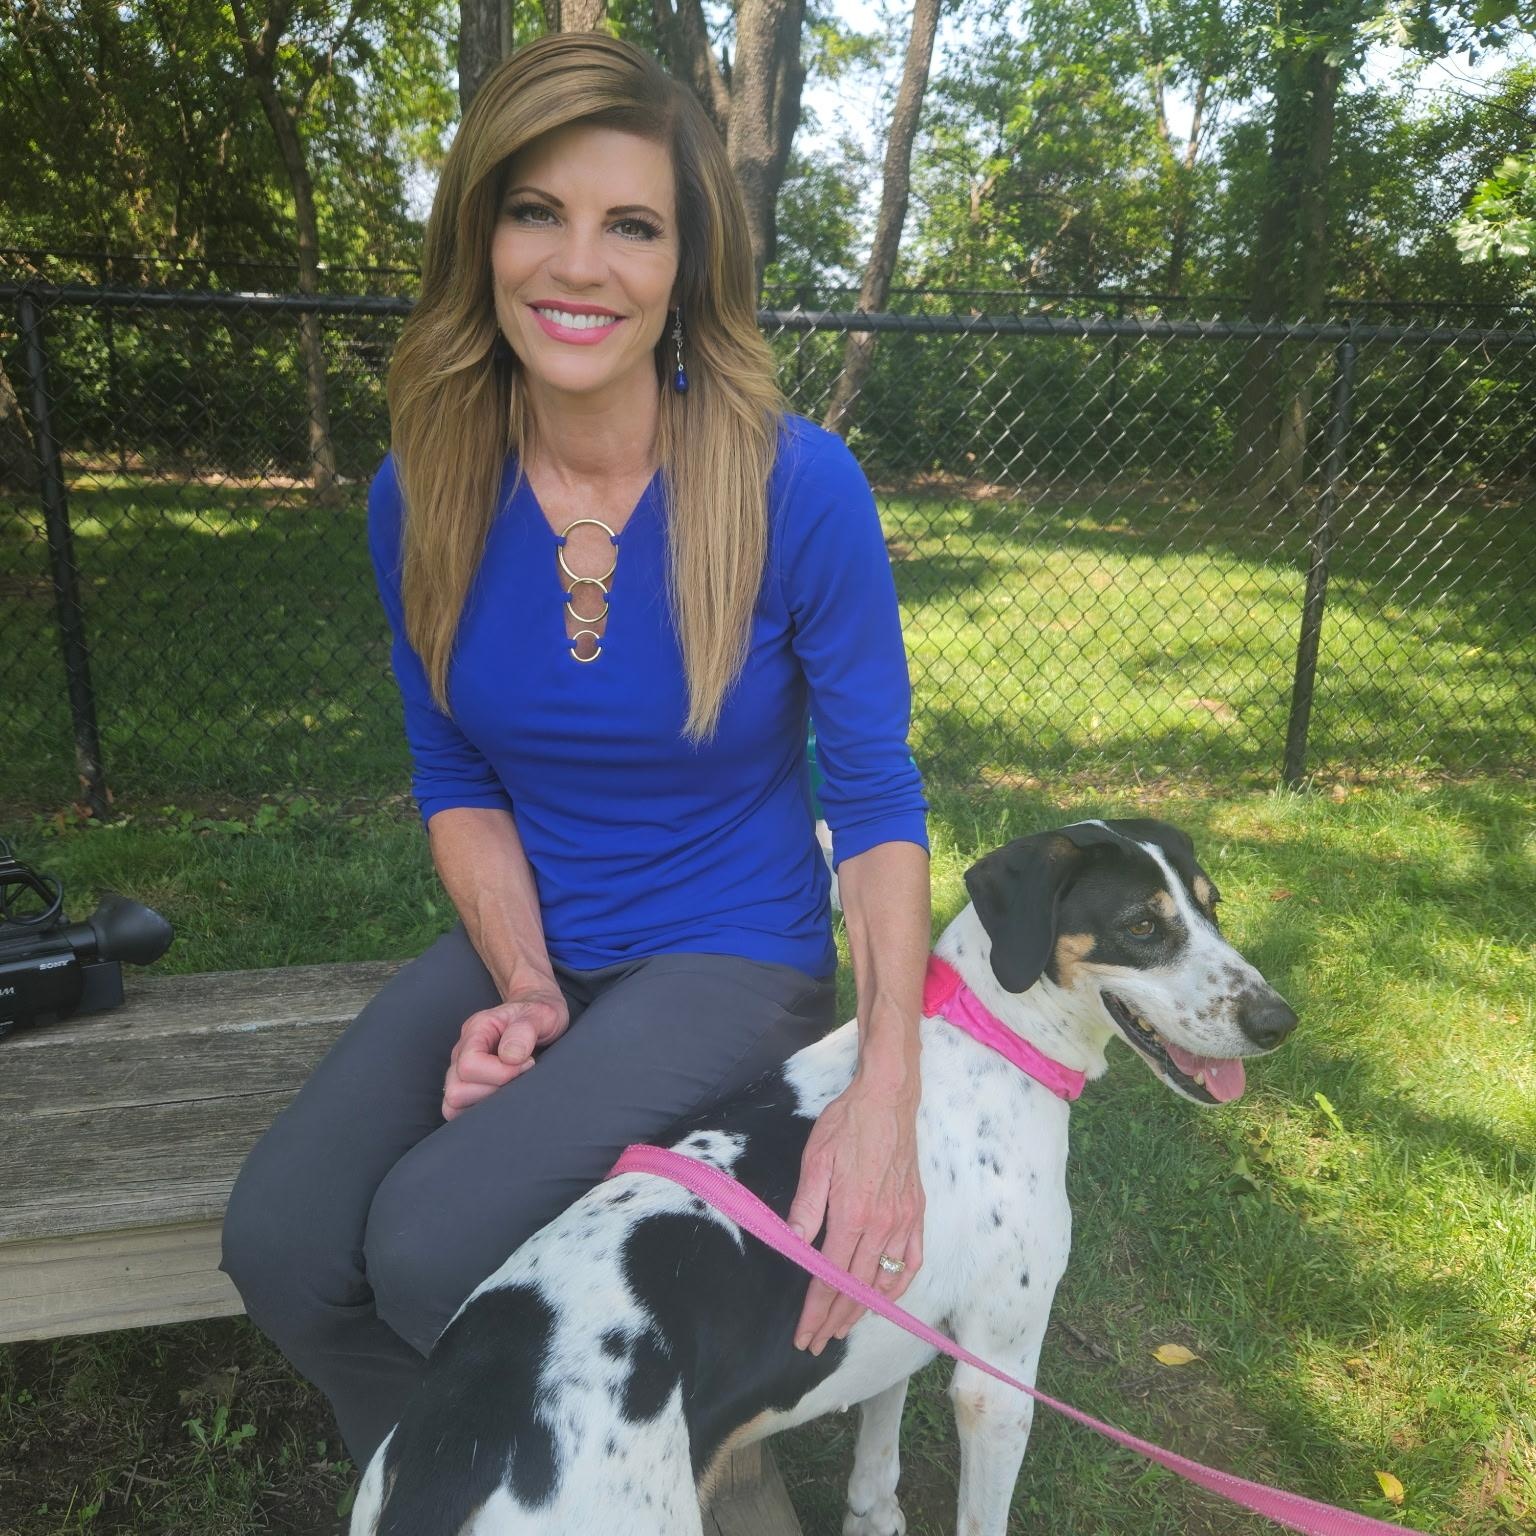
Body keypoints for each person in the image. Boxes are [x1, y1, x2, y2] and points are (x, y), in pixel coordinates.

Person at [219, 32, 931, 1474]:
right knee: (281, 1247)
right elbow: (455, 776)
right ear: (479, 237)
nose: (580, 265)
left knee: (428, 1247)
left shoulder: (794, 486)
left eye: (634, 225)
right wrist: (529, 981)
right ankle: (463, 1482)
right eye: (538, 211)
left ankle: (557, 1477)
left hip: (732, 958)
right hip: (540, 937)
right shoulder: (424, 492)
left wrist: (885, 1093)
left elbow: (874, 800)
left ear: (686, 264)